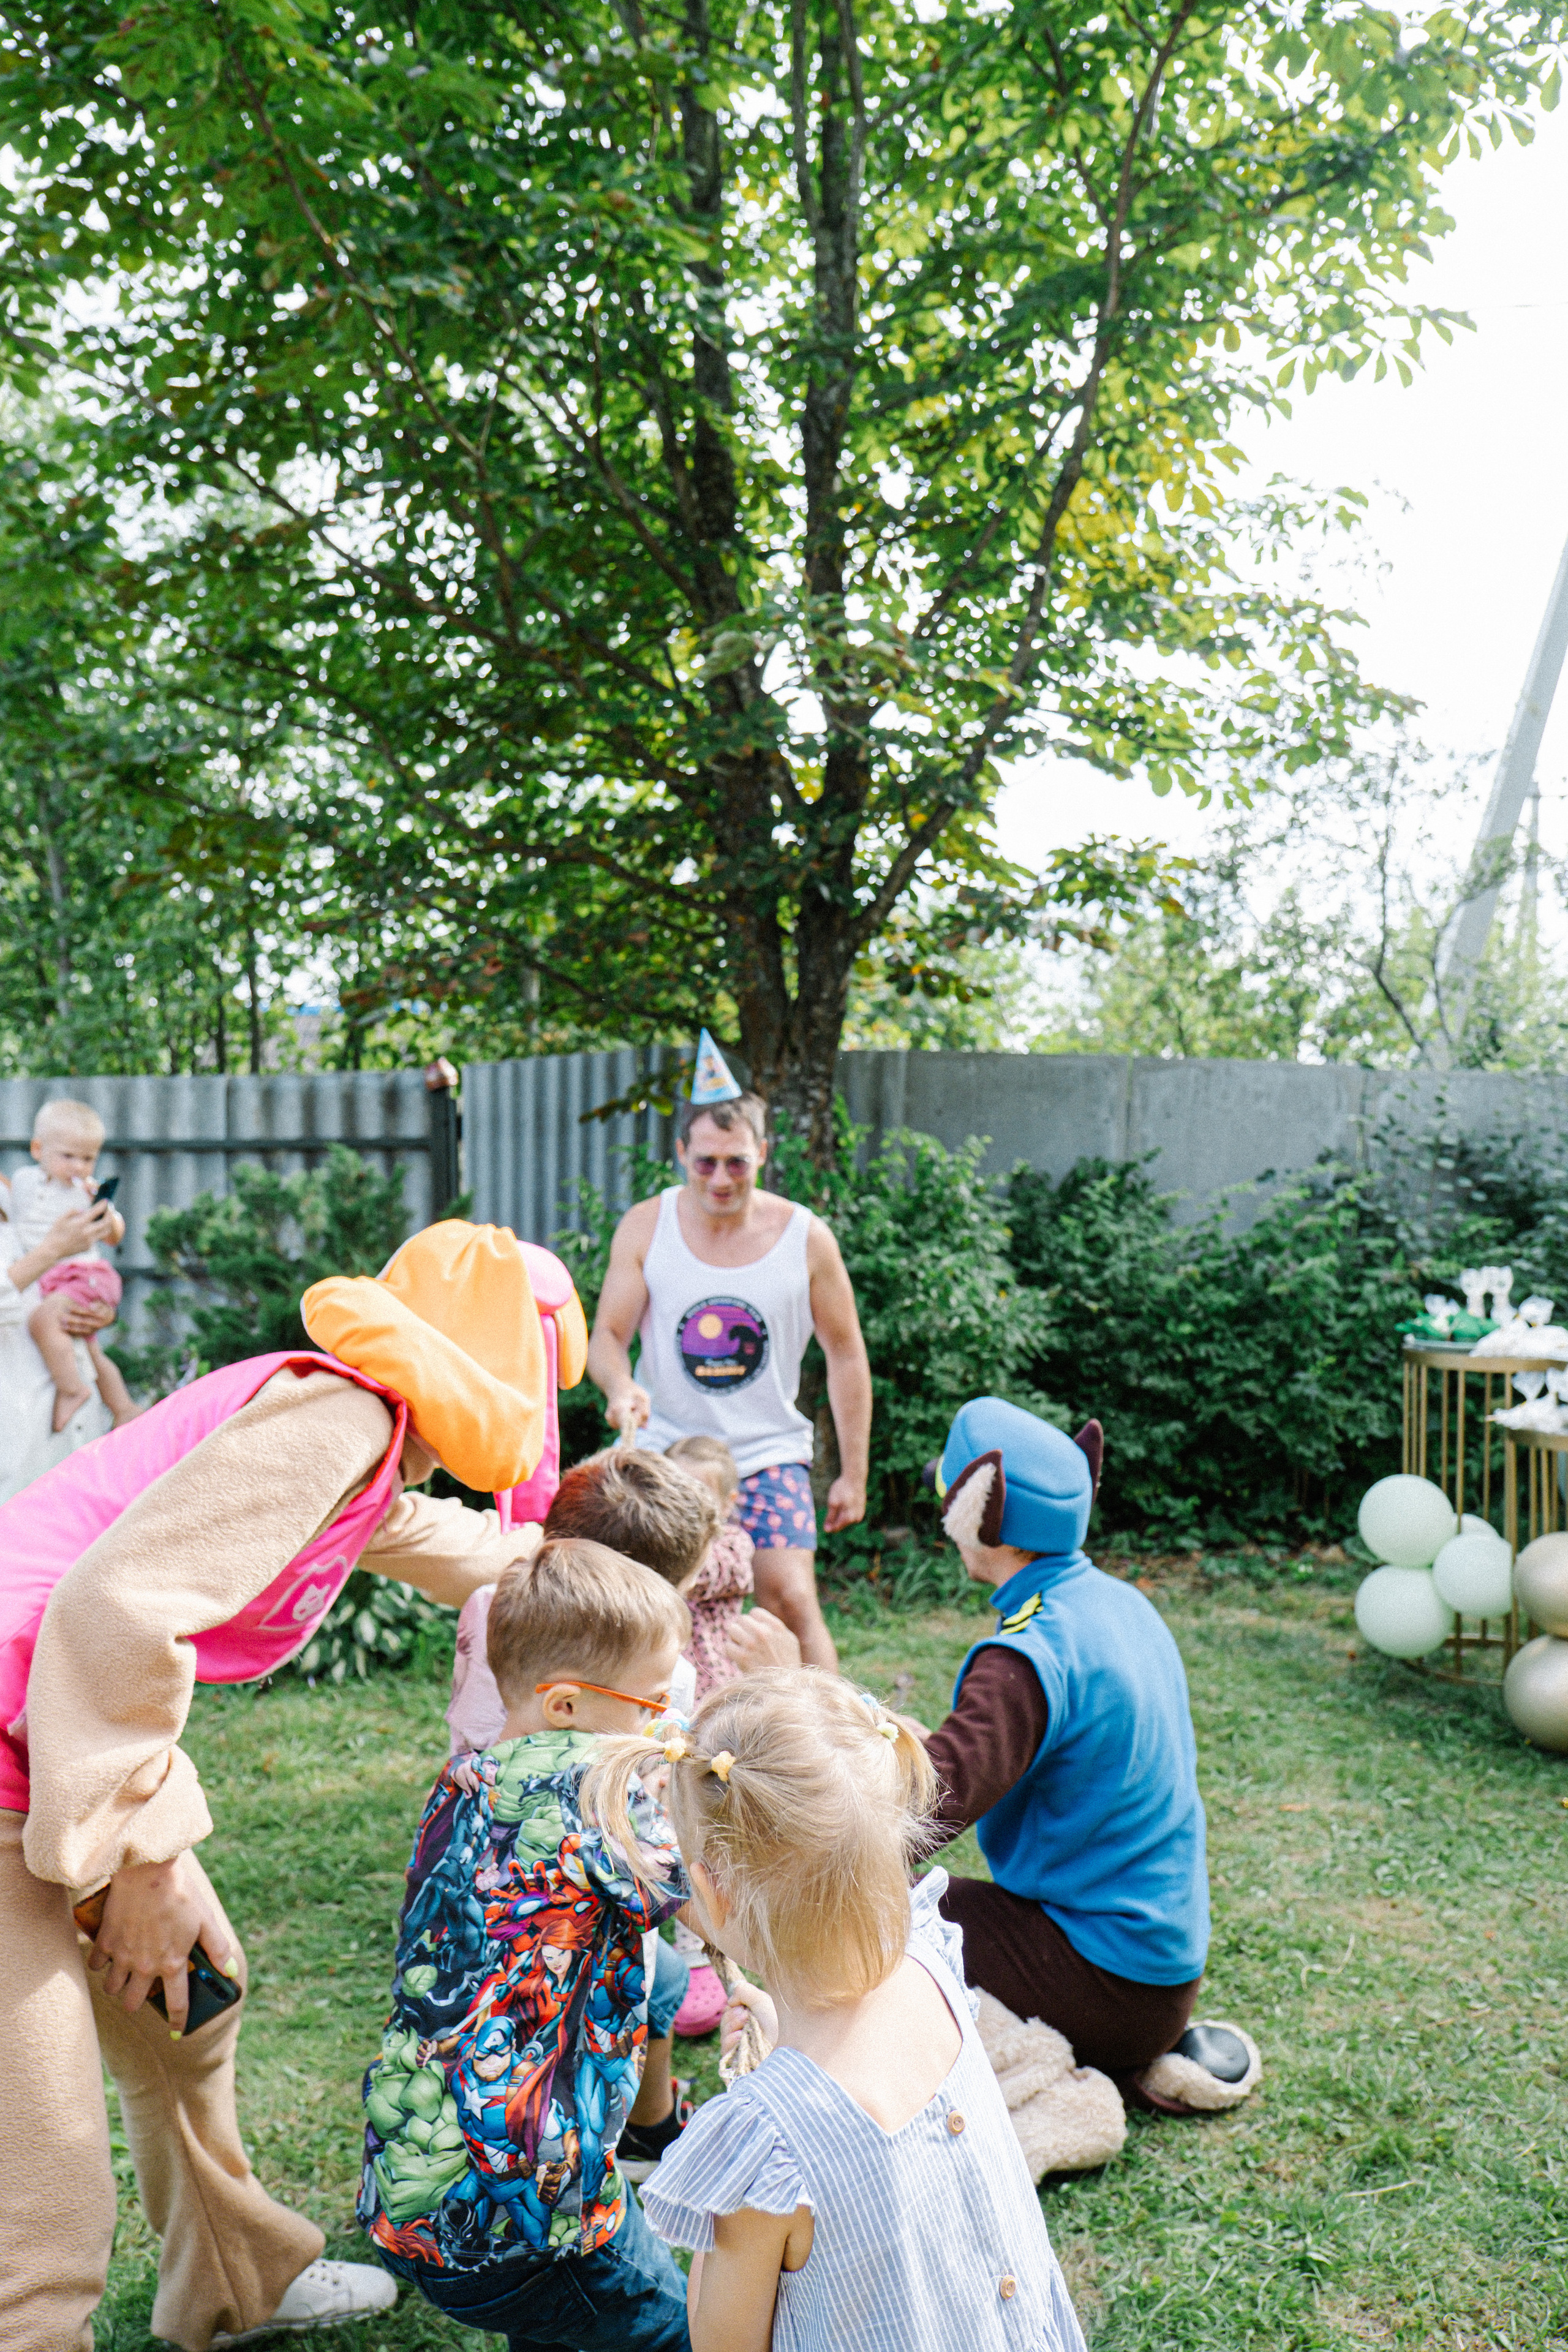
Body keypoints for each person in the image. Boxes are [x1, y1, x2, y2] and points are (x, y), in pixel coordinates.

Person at [0, 1217, 584, 2352]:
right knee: (46, 2145)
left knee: (188, 1998)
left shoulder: (356, 1434)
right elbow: (112, 1610)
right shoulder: (338, 1419)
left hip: (48, 1743)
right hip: (11, 1749)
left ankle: (235, 2281)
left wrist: (582, 1568)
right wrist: (148, 1853)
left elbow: (422, 1535)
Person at [581, 1668, 1088, 2352]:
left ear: (713, 1890)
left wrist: (765, 2096)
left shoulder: (763, 2145)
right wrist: (782, 2038)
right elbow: (856, 2054)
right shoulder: (931, 1958)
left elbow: (722, 2342)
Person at [358, 1538, 694, 2352]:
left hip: (416, 2186)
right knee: (675, 2326)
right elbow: (710, 1896)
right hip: (539, 2210)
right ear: (567, 1706)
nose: (666, 1721)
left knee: (667, 1979)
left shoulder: (464, 1782)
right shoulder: (594, 1788)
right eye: (651, 1704)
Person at [921, 1396, 1215, 2104]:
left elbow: (916, 1815)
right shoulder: (1117, 1603)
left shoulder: (1027, 1657)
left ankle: (1059, 2070)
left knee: (880, 1908)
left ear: (977, 1513)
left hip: (1108, 1986)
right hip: (1155, 1969)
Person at [586, 1070, 872, 1674]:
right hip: (667, 1450)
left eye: (737, 1163)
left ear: (763, 1154)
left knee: (790, 1602)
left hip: (768, 1452)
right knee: (641, 1604)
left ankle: (834, 1751)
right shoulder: (646, 1225)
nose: (720, 1179)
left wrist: (854, 1472)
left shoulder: (806, 1237)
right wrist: (620, 1386)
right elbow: (608, 1337)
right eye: (707, 1162)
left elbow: (845, 1351)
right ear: (682, 1153)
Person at [9, 1098, 138, 1432]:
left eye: (88, 1158)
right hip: (53, 1285)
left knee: (51, 1324)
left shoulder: (85, 1190)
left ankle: (73, 1391)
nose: (79, 1166)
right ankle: (123, 1407)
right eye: (68, 1156)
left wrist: (107, 1215)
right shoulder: (24, 1182)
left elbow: (113, 1233)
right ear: (38, 1149)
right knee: (91, 1352)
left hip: (83, 1277)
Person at [0, 1180, 119, 1505]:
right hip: (16, 1432)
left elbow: (45, 1281)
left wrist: (97, 1304)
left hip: (70, 1417)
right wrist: (52, 1249)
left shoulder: (19, 1187)